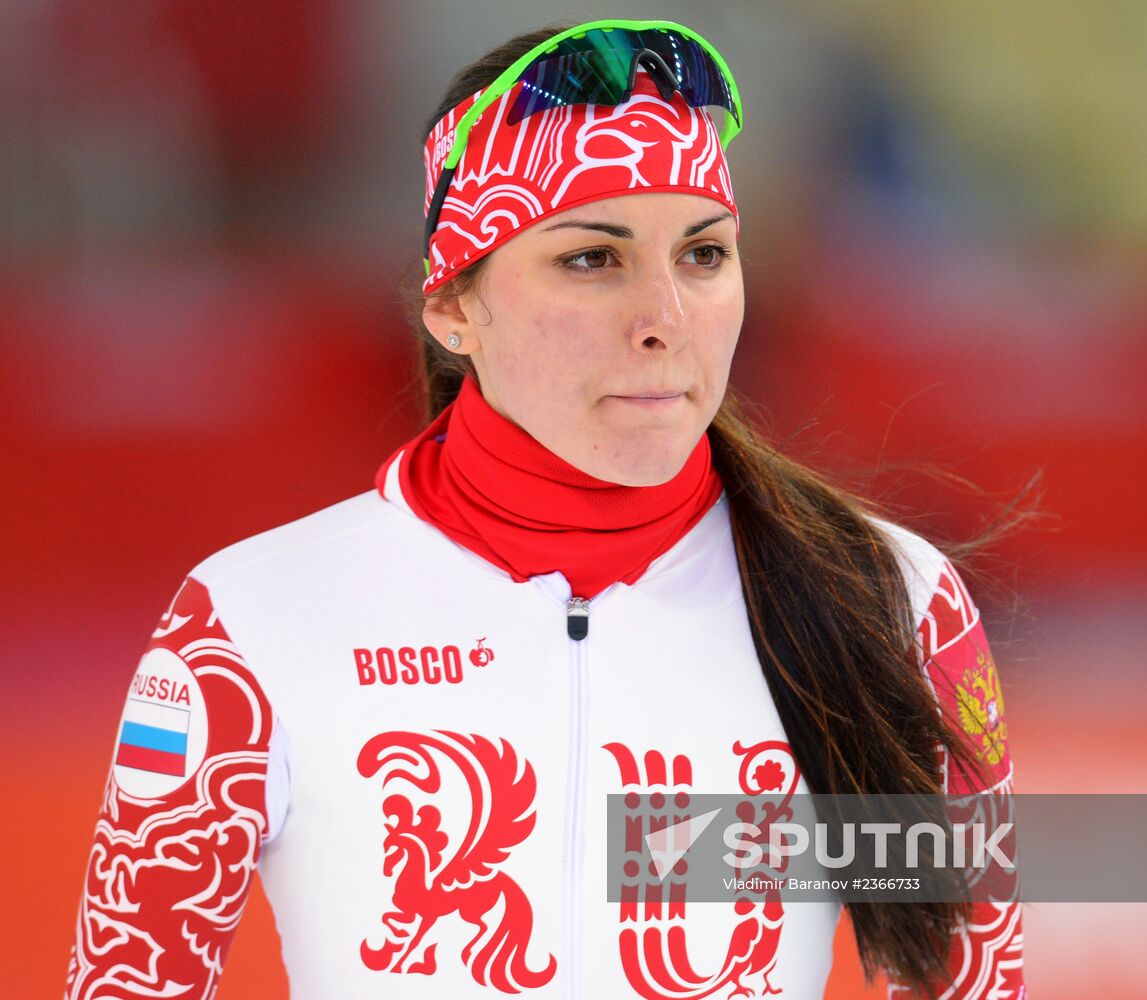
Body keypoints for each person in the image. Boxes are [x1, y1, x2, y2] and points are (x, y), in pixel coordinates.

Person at [66, 19, 1025, 1000]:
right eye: (590, 260)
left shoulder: (885, 600)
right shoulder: (249, 622)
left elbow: (973, 979)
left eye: (702, 255)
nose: (664, 320)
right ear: (453, 309)